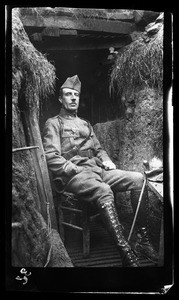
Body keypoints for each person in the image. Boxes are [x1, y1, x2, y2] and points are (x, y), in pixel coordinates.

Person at [43, 75, 158, 267]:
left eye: (76, 95)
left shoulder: (86, 124)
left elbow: (99, 149)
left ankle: (143, 241)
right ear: (60, 99)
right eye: (68, 95)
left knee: (139, 179)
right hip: (74, 176)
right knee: (104, 190)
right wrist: (74, 168)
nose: (73, 98)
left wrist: (106, 160)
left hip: (97, 170)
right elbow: (51, 156)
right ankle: (125, 252)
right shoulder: (54, 123)